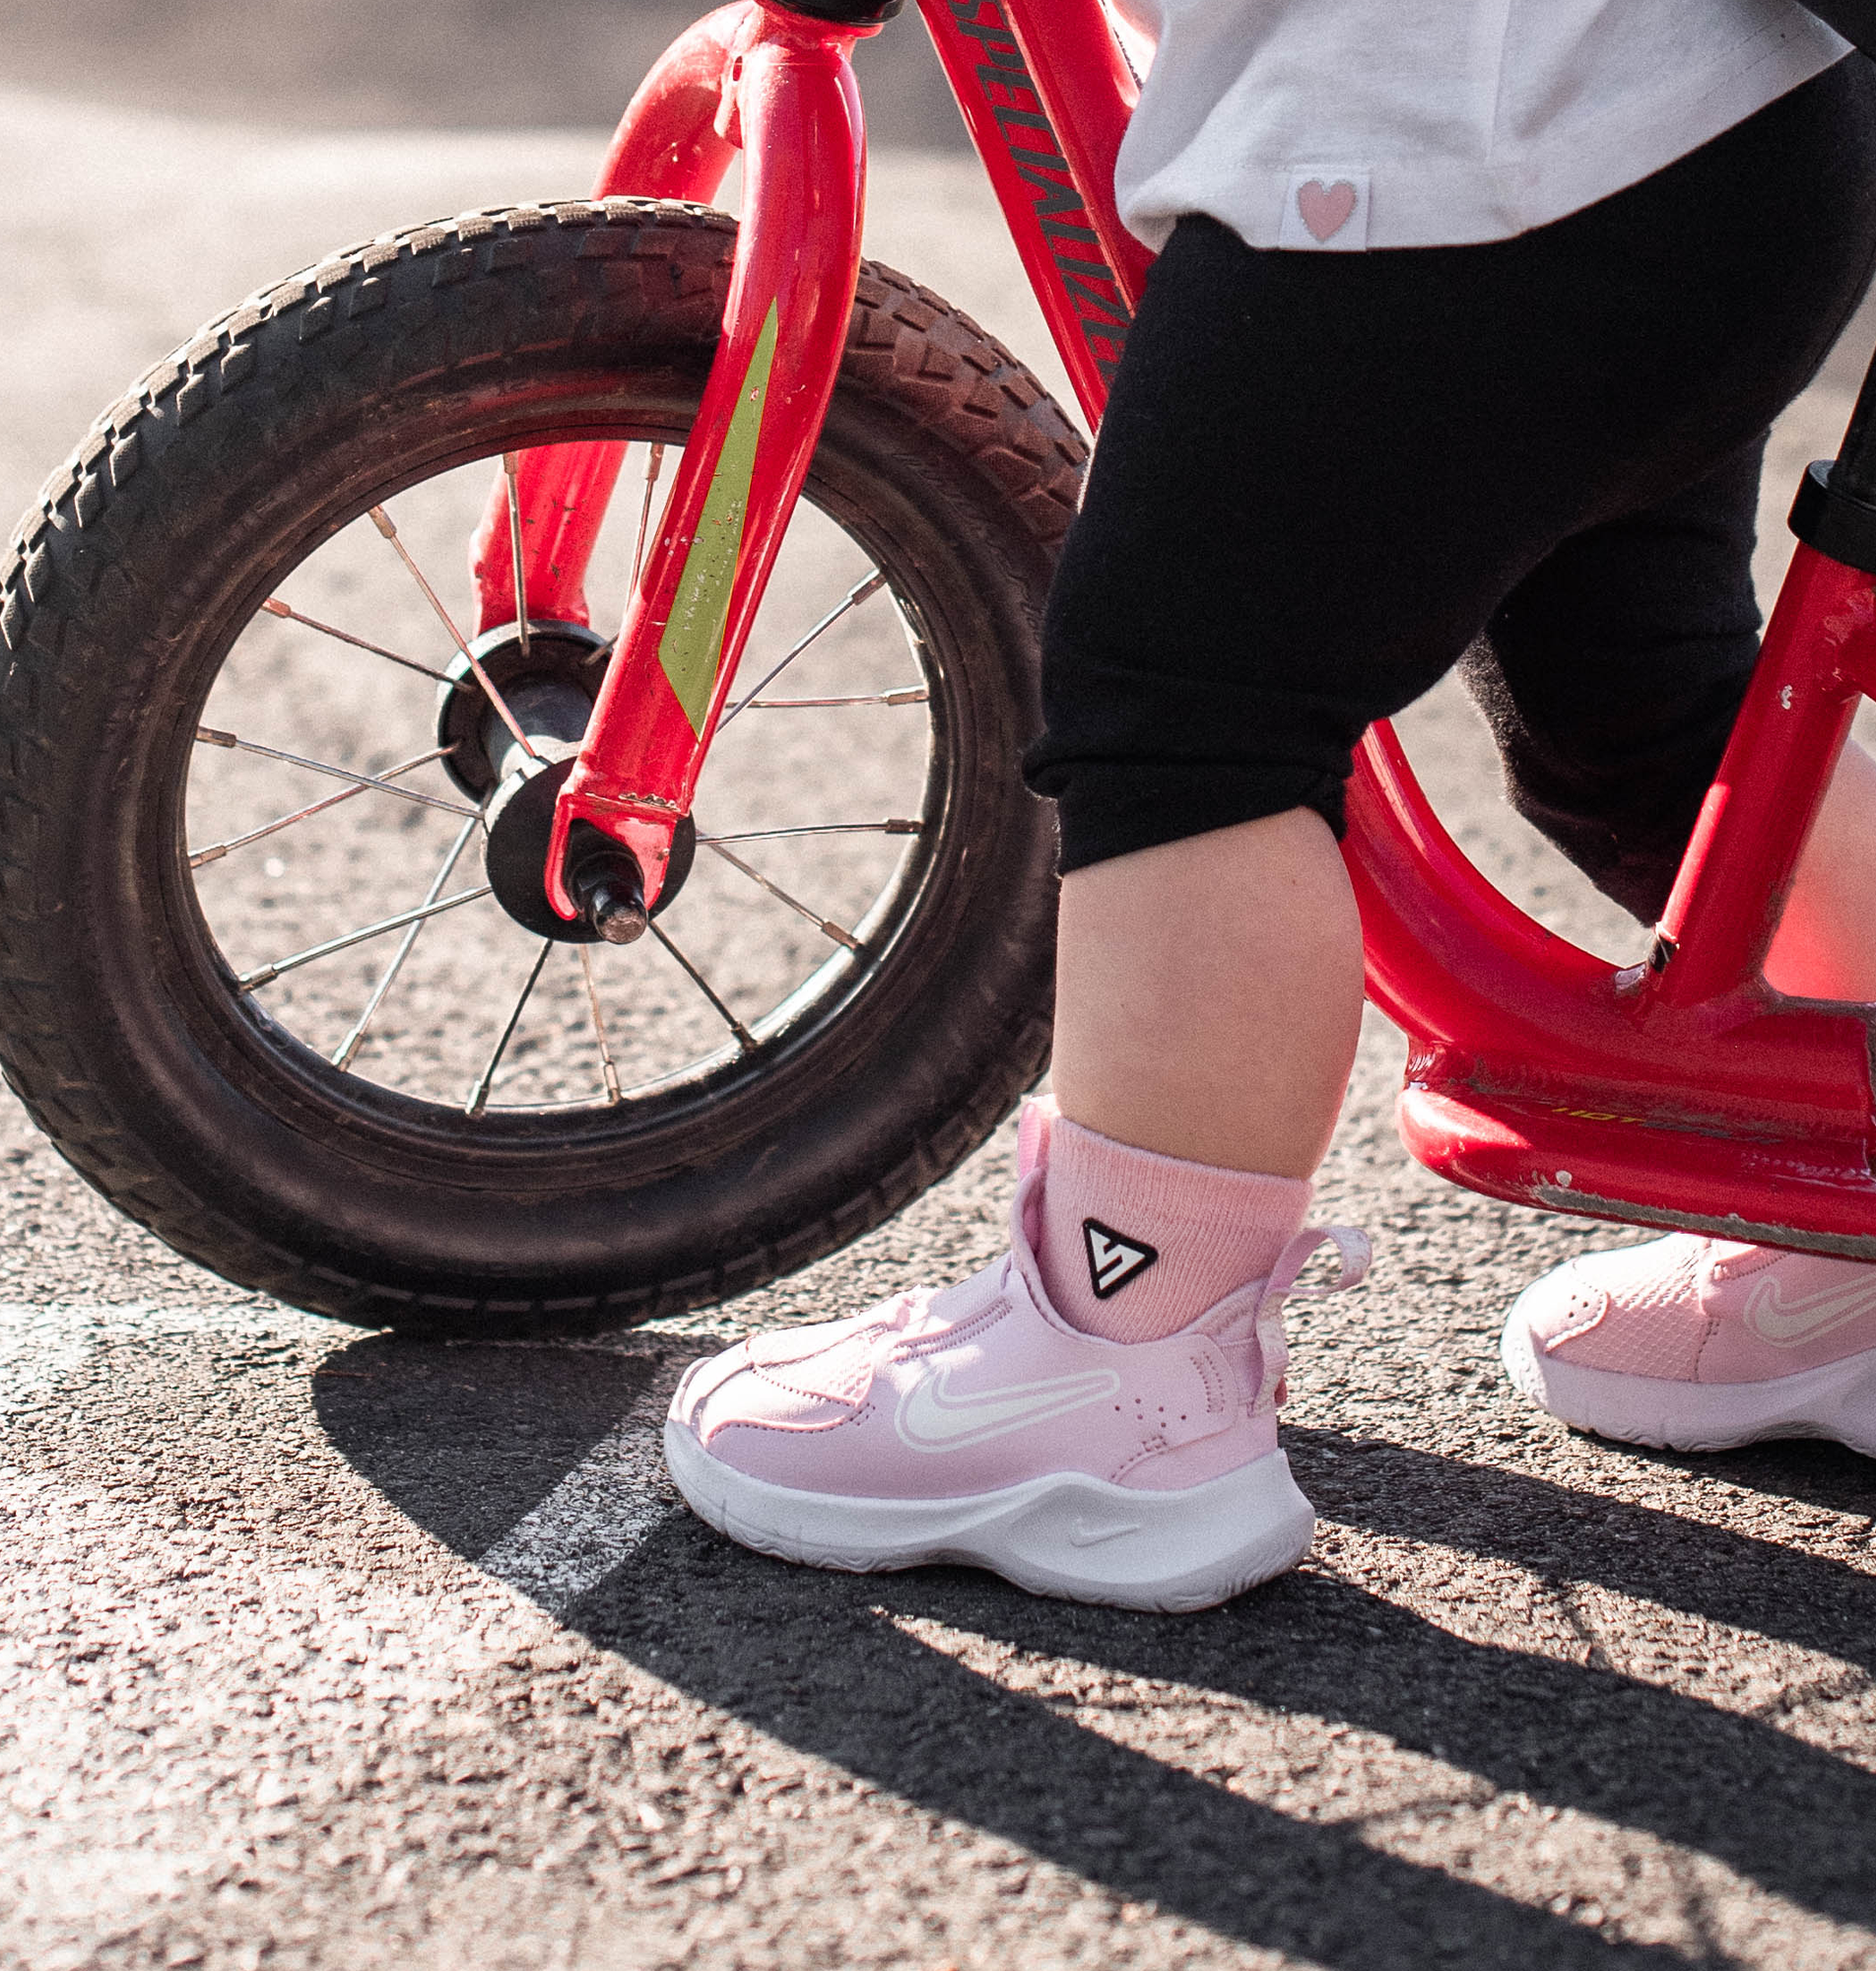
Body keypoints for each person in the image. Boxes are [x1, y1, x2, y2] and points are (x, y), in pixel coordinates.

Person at [660, 1, 1876, 1611]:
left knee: (1193, 705)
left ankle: (1119, 1373)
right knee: (1643, 707)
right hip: (1710, 126)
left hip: (1456, 143)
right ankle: (1851, 1249)